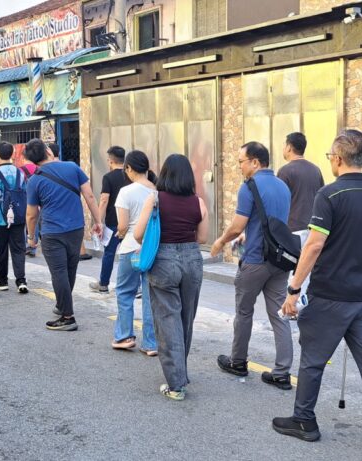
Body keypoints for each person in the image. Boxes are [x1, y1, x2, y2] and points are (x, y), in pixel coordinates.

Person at [273, 129, 362, 456]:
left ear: (337, 159)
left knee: (313, 359)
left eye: (329, 157)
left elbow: (314, 245)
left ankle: (304, 420)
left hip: (329, 296)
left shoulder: (329, 195)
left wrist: (293, 289)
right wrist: (360, 251)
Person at [210, 142, 294, 390]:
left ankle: (238, 362)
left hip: (256, 260)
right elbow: (272, 222)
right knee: (279, 315)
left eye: (241, 162)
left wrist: (220, 241)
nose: (239, 166)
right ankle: (282, 372)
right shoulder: (282, 186)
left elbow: (237, 226)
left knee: (244, 312)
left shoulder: (249, 186)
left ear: (255, 162)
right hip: (280, 260)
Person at [134, 154, 209, 401]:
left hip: (164, 261)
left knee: (168, 321)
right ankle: (180, 371)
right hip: (192, 260)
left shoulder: (155, 199)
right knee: (186, 319)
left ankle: (176, 385)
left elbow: (138, 234)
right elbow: (202, 238)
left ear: (165, 174)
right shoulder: (198, 202)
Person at [24, 139, 103, 331]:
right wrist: (98, 221)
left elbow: (31, 214)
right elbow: (89, 196)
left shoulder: (34, 180)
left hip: (52, 232)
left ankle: (68, 317)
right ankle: (62, 305)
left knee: (59, 272)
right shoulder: (72, 167)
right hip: (76, 229)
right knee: (70, 269)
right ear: (48, 151)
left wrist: (31, 237)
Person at [111, 150, 157, 355]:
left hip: (131, 248)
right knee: (150, 296)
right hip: (152, 250)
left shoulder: (126, 192)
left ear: (128, 168)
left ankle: (124, 336)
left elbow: (122, 225)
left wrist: (120, 234)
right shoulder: (157, 191)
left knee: (124, 292)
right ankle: (151, 343)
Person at [277, 132, 324, 296]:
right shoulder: (316, 170)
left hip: (293, 230)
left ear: (289, 147)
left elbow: (279, 202)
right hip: (314, 229)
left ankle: (292, 305)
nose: (283, 149)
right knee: (308, 271)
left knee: (291, 273)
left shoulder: (285, 171)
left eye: (284, 145)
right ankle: (305, 303)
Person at [0, 142, 28, 294]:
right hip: (19, 215)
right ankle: (21, 281)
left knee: (2, 249)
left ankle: (3, 281)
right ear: (12, 154)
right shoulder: (20, 173)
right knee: (18, 249)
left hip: (1, 218)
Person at [90, 146, 130, 293]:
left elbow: (104, 200)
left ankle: (104, 284)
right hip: (130, 223)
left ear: (110, 161)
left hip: (113, 223)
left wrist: (98, 222)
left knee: (109, 254)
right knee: (131, 253)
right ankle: (135, 286)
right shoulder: (131, 176)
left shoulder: (108, 177)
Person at [20, 160, 40, 258]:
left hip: (24, 200)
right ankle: (33, 248)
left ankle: (26, 246)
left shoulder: (20, 170)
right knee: (35, 222)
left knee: (25, 223)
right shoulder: (39, 169)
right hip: (37, 200)